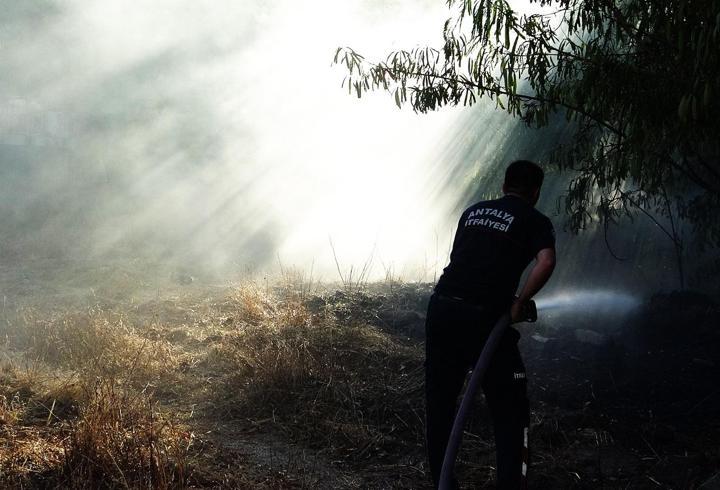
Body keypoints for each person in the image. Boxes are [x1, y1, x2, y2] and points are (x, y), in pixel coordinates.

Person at [425, 160, 556, 489]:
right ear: (536, 192)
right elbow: (546, 261)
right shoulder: (535, 219)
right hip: (484, 319)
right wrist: (519, 301)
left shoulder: (473, 212)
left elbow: (463, 260)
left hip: (442, 309)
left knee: (440, 403)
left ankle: (442, 483)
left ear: (504, 186)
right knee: (511, 406)